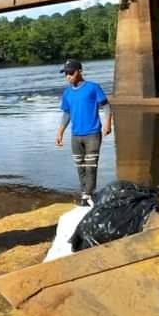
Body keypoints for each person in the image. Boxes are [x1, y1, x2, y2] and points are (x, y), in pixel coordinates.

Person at [55, 59, 112, 206]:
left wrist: (107, 123)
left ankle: (87, 195)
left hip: (92, 134)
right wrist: (60, 132)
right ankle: (85, 194)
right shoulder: (67, 93)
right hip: (76, 136)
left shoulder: (93, 87)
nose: (68, 76)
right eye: (65, 74)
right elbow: (66, 113)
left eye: (71, 73)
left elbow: (106, 106)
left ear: (80, 71)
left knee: (90, 166)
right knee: (80, 167)